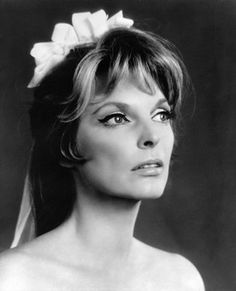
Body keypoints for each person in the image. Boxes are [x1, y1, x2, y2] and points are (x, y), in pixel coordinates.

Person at [0, 9, 205, 291]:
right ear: (65, 143)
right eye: (117, 118)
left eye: (161, 114)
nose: (152, 136)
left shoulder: (181, 279)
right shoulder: (13, 279)